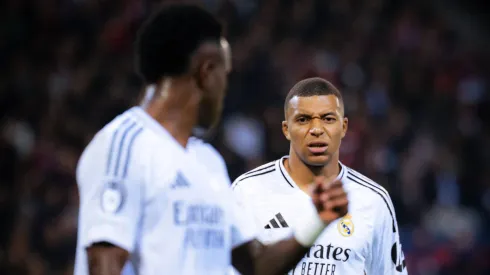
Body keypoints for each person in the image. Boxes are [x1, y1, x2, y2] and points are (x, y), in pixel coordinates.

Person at [74, 5, 349, 275]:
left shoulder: (208, 162)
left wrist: (317, 220)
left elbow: (256, 264)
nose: (224, 90)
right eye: (224, 76)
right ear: (206, 72)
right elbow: (105, 264)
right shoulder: (124, 145)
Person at [231, 77, 408, 275]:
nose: (316, 130)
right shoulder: (247, 190)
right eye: (303, 119)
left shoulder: (374, 201)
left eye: (328, 119)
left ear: (343, 127)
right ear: (286, 129)